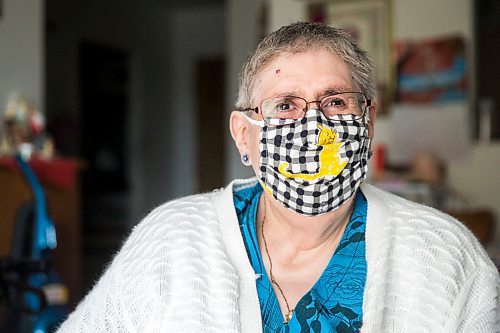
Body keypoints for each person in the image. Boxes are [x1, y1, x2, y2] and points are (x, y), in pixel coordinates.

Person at [57, 22, 499, 332]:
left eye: (335, 102)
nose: (313, 128)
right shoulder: (170, 241)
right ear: (243, 136)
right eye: (285, 105)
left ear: (368, 120)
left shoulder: (447, 258)